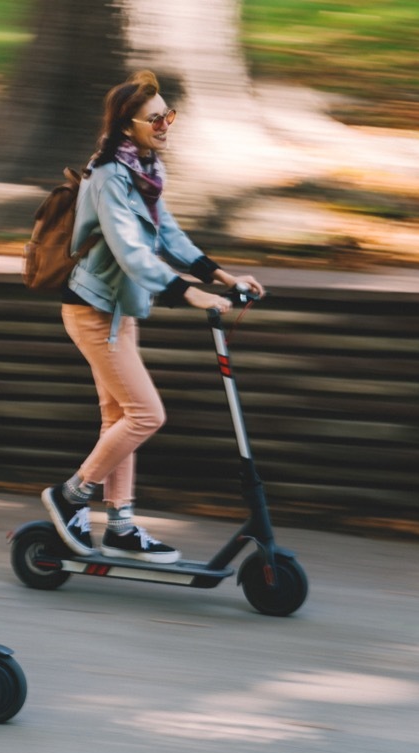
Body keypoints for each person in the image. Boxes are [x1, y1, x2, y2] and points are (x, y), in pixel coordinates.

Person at [41, 70, 266, 564]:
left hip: (120, 312)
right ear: (128, 127)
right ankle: (71, 496)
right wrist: (189, 293)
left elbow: (169, 238)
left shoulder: (145, 169)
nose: (166, 124)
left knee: (120, 417)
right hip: (93, 314)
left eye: (170, 115)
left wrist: (223, 277)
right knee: (147, 414)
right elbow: (132, 254)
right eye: (157, 118)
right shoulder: (108, 177)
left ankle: (120, 525)